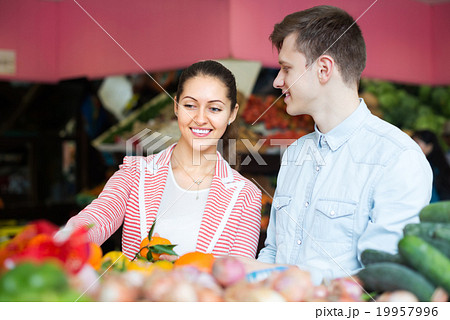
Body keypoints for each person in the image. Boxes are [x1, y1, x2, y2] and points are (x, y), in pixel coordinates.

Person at [248, 5, 432, 284]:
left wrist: (296, 282)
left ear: (323, 69)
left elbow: (382, 274)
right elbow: (273, 250)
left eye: (286, 68)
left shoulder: (397, 158)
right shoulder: (295, 154)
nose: (277, 81)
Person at [58, 60, 262, 260]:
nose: (200, 118)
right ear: (176, 106)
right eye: (190, 105)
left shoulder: (246, 196)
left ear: (232, 114)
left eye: (215, 109)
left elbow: (239, 274)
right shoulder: (135, 173)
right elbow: (97, 218)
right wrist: (63, 242)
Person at [412, 130, 450, 202]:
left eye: (417, 143)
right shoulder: (440, 164)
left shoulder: (430, 166)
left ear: (429, 146)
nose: (413, 146)